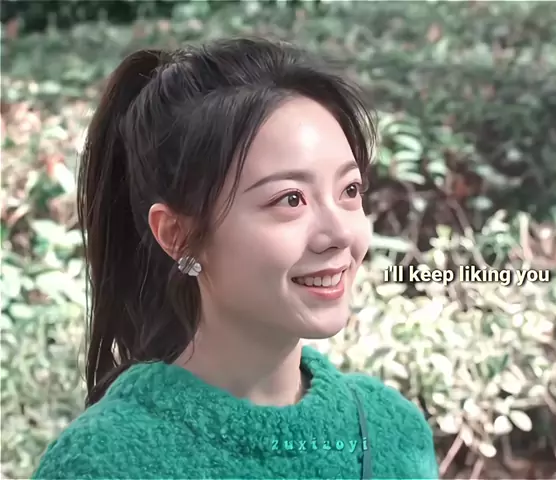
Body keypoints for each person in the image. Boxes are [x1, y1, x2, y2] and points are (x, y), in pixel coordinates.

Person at [33, 37, 439, 480]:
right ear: (178, 236)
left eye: (350, 190)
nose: (340, 233)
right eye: (290, 199)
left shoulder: (393, 430)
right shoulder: (101, 465)